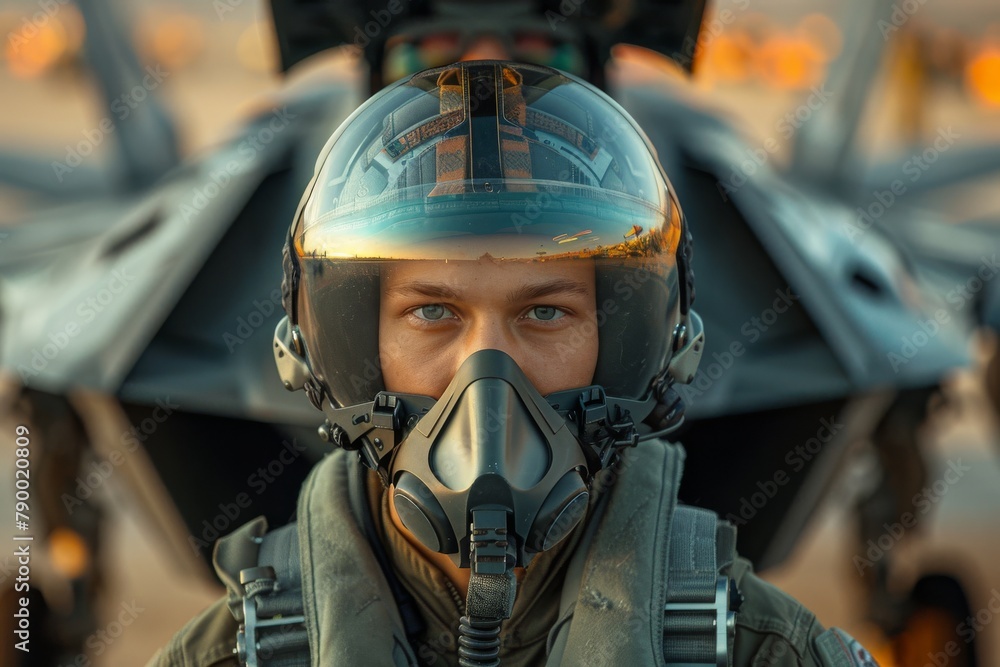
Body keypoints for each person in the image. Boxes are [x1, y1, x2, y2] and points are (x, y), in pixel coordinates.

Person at [149, 60, 878, 667]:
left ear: (626, 341)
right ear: (349, 346)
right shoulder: (228, 655)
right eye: (433, 311)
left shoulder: (762, 650)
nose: (487, 374)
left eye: (545, 311)